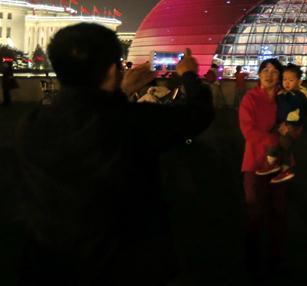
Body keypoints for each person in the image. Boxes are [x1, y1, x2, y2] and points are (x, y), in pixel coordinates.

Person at [16, 23, 213, 284]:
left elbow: (89, 113)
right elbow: (198, 113)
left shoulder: (32, 124)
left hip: (52, 264)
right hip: (123, 264)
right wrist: (188, 74)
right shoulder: (134, 123)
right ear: (113, 69)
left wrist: (120, 91)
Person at [239, 58, 297, 277]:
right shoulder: (250, 98)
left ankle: (276, 260)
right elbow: (248, 131)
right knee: (255, 215)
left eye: (274, 71)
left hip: (282, 164)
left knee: (279, 214)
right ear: (259, 73)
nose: (269, 74)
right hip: (255, 163)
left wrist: (291, 130)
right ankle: (252, 262)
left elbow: (297, 124)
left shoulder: (287, 98)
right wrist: (275, 139)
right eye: (265, 70)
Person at [256, 64, 307, 184]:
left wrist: (281, 97)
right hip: (287, 124)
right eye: (284, 79)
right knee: (280, 142)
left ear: (299, 81)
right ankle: (278, 166)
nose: (287, 83)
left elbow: (287, 109)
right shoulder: (291, 93)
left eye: (291, 80)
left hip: (292, 125)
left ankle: (280, 167)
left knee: (283, 143)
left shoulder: (297, 95)